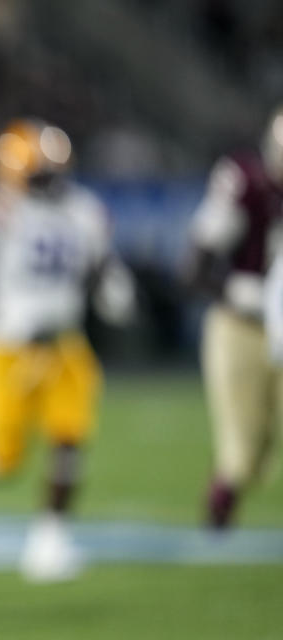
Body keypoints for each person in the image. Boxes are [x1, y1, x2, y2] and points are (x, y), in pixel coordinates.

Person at [0, 118, 135, 582]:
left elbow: (98, 268)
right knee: (3, 463)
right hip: (4, 348)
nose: (50, 181)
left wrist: (112, 288)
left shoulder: (84, 210)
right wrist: (0, 313)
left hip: (65, 343)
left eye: (54, 171)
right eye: (40, 173)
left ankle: (50, 540)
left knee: (71, 436)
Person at [185, 103, 283, 531]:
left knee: (265, 454)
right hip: (241, 328)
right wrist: (239, 291)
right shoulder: (247, 183)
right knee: (241, 455)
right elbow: (195, 266)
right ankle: (216, 528)